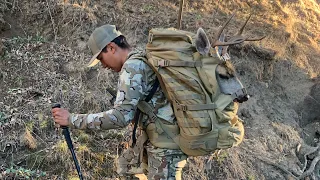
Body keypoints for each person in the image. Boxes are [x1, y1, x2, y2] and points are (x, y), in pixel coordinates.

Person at [52, 24, 188, 180]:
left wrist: (71, 119)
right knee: (125, 167)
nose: (103, 65)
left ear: (111, 48)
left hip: (166, 148)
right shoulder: (141, 57)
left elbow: (120, 118)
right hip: (161, 143)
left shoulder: (133, 67)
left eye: (101, 58)